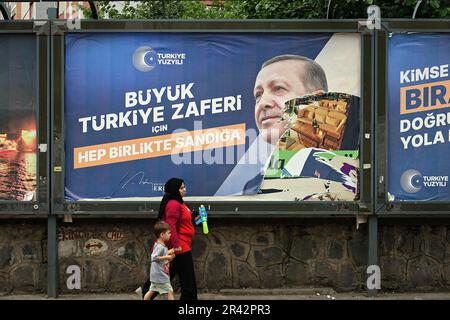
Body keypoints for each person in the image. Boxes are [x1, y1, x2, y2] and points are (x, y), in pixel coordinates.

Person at [215, 55, 328, 196]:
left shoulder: (349, 174)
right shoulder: (252, 186)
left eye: (278, 88)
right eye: (258, 95)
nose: (262, 103)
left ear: (319, 101)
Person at [143, 177, 198, 300]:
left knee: (167, 273)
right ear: (175, 189)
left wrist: (195, 217)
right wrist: (176, 244)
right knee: (188, 277)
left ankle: (146, 291)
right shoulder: (173, 204)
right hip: (180, 245)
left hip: (181, 245)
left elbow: (185, 222)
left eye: (184, 187)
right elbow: (170, 225)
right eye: (181, 187)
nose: (185, 190)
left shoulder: (180, 203)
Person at [143, 220, 175, 300]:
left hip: (156, 275)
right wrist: (167, 257)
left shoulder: (160, 245)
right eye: (168, 233)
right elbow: (153, 257)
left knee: (151, 291)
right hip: (160, 276)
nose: (170, 235)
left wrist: (168, 252)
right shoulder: (160, 246)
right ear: (162, 234)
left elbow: (160, 255)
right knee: (170, 291)